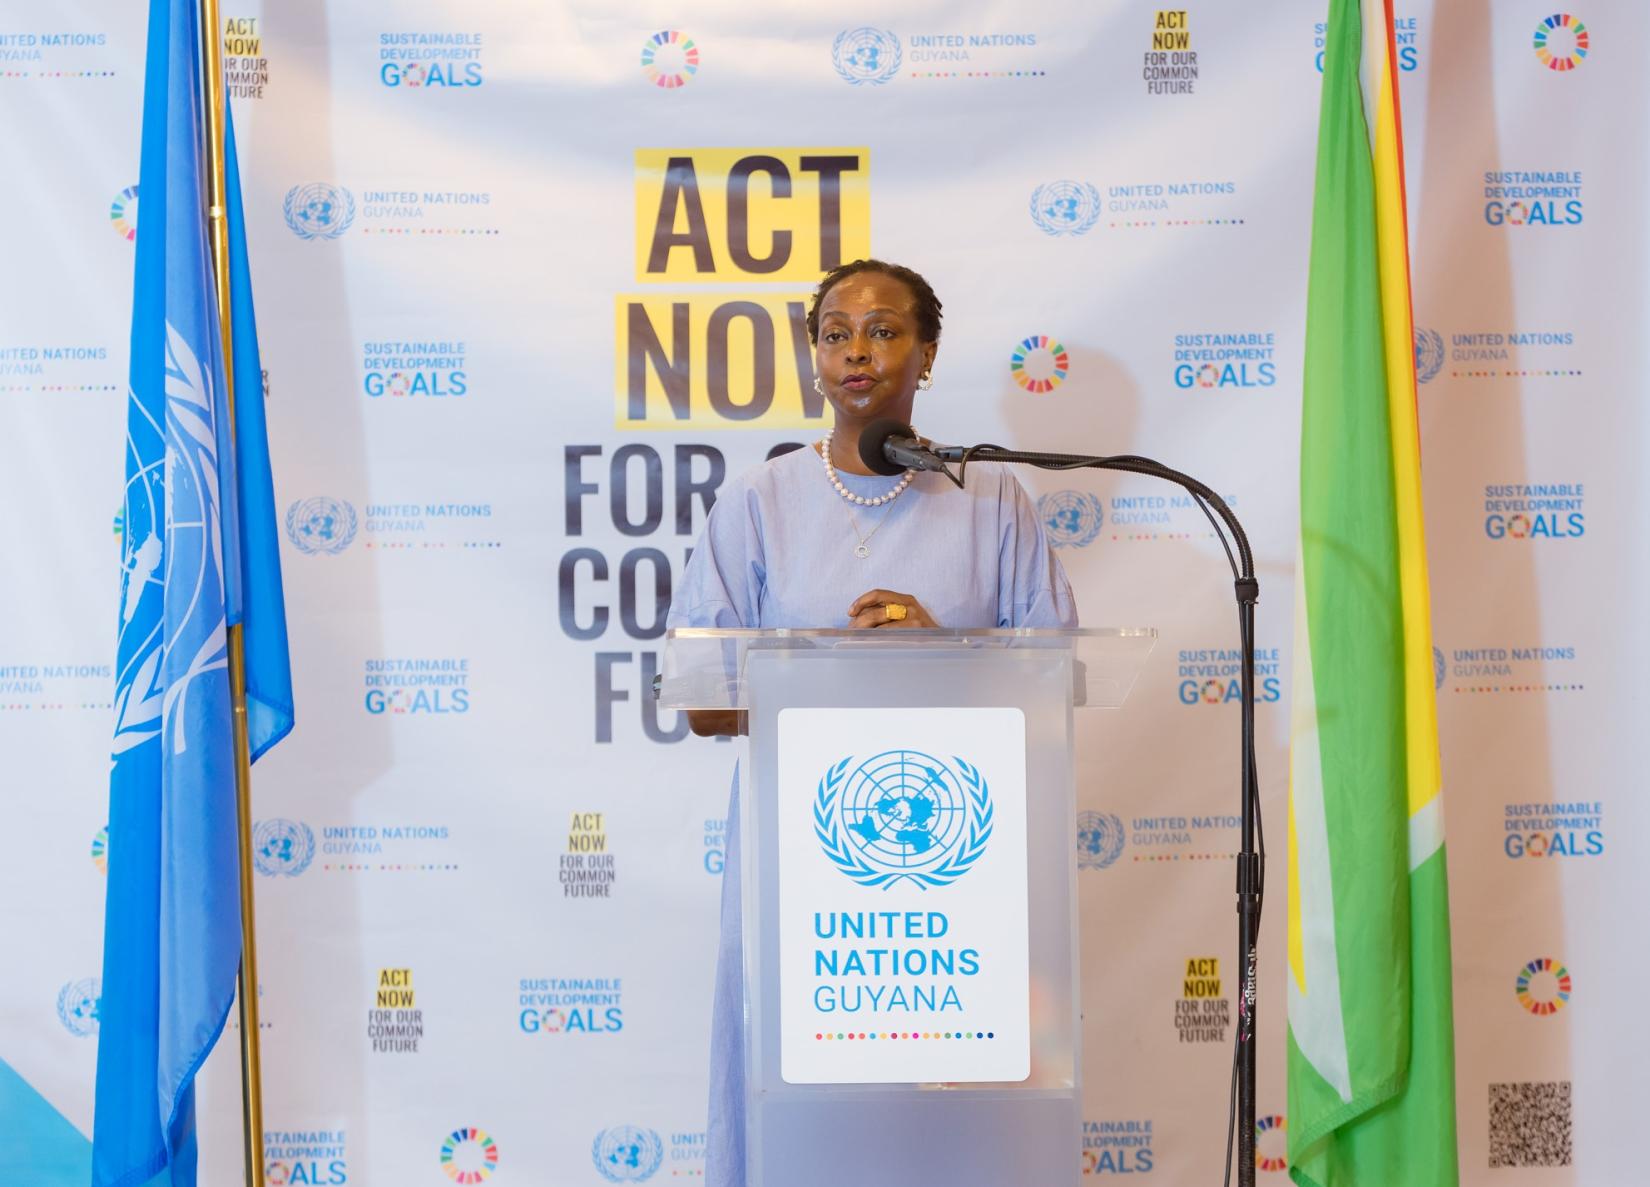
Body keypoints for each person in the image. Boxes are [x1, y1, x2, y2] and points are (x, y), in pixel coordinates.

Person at [666, 259, 1077, 1186]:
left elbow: (1055, 688)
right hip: (801, 871)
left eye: (885, 330)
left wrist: (945, 656)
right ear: (813, 355)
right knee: (803, 1107)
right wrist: (815, 669)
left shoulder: (992, 499)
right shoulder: (758, 501)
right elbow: (700, 698)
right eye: (836, 331)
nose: (858, 350)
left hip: (955, 886)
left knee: (947, 1116)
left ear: (926, 354)